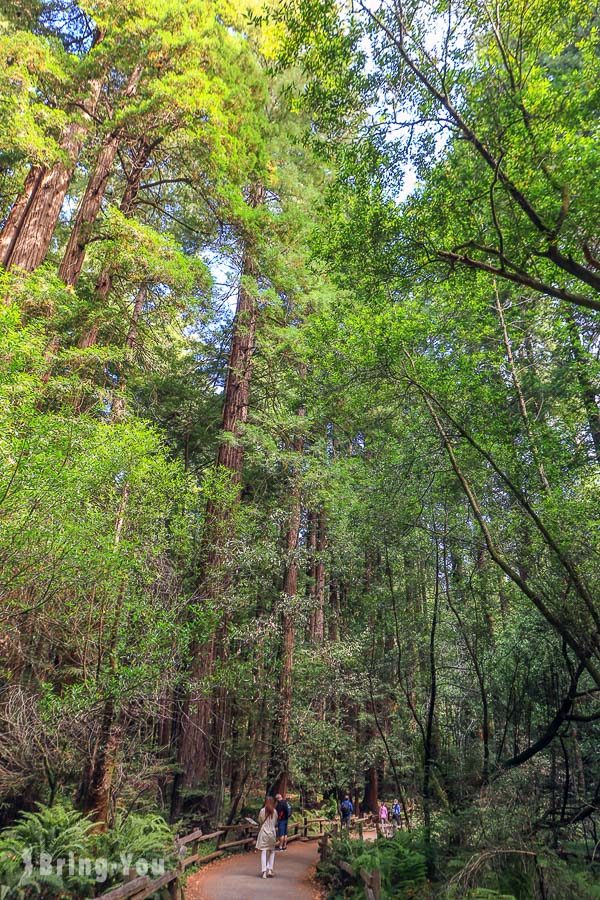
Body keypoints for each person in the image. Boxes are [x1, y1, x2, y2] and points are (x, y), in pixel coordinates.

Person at [256, 796, 278, 878]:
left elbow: (260, 820)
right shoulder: (275, 811)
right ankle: (270, 869)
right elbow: (275, 822)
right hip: (272, 833)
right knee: (272, 851)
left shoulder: (262, 811)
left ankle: (264, 872)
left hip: (264, 833)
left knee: (263, 852)